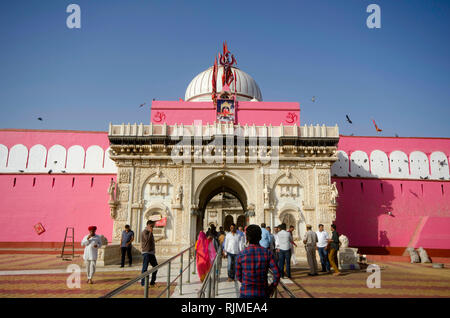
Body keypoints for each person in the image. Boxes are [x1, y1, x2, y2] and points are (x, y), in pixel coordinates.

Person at [236, 224, 280, 298]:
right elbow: (277, 273)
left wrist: (247, 282)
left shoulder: (241, 255)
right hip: (262, 292)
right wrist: (272, 287)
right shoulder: (267, 253)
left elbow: (239, 276)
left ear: (247, 238)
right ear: (260, 237)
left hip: (246, 292)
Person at [141, 220, 158, 286]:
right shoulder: (144, 232)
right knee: (145, 268)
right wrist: (150, 232)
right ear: (147, 225)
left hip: (151, 253)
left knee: (155, 267)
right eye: (151, 226)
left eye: (153, 226)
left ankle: (152, 282)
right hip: (146, 252)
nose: (152, 227)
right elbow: (147, 240)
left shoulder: (150, 232)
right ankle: (143, 283)